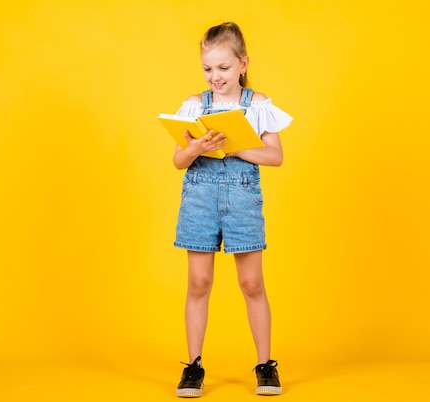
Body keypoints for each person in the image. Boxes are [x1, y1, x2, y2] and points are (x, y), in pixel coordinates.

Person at [171, 22, 292, 398]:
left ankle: (265, 365)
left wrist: (237, 146)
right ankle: (193, 366)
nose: (215, 76)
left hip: (241, 198)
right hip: (200, 197)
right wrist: (197, 148)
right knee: (199, 283)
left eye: (223, 68)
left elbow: (275, 156)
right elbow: (178, 160)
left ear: (242, 64)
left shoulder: (258, 105)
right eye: (208, 69)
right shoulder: (194, 105)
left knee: (252, 283)